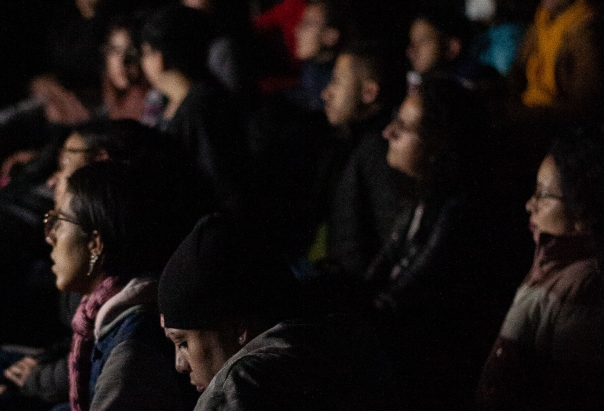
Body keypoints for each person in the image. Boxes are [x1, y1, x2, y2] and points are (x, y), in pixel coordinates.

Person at [363, 75, 530, 410]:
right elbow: (378, 278)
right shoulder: (422, 197)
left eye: (404, 128)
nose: (387, 133)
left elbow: (405, 299)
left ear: (439, 143)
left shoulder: (461, 213)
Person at [478, 127, 604, 410]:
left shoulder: (591, 286)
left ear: (584, 209)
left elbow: (570, 393)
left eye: (544, 195)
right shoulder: (551, 265)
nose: (530, 205)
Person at [159, 213, 391, 410]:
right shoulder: (355, 355)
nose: (180, 364)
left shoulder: (234, 394)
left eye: (183, 343)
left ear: (239, 327)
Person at [46, 161, 198, 411]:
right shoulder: (101, 316)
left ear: (95, 242)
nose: (49, 237)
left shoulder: (132, 346)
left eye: (59, 223)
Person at [139, 4, 243, 212]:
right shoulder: (175, 102)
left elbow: (220, 184)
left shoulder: (201, 107)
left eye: (144, 53)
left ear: (158, 58)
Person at [321, 42, 411, 277]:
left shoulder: (377, 151)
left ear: (369, 92)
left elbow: (390, 239)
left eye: (337, 82)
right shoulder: (352, 143)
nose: (326, 92)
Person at [509, 0, 600, 121]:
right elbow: (518, 69)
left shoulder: (584, 33)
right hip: (530, 107)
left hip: (554, 122)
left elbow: (584, 105)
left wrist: (530, 114)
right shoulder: (542, 20)